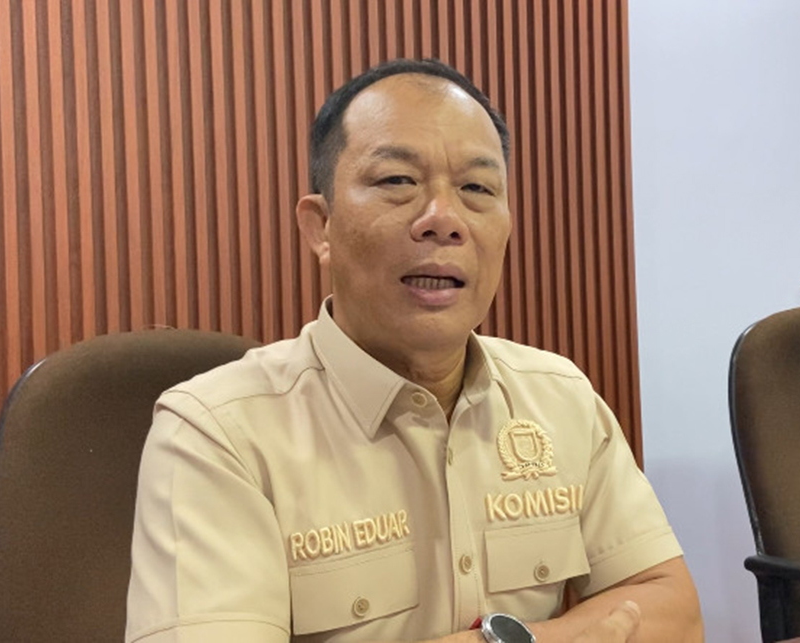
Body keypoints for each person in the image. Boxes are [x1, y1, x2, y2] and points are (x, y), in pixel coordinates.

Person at [125, 58, 703, 643]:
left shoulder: (559, 397)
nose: (443, 220)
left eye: (477, 189)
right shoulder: (216, 434)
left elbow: (674, 612)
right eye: (398, 181)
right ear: (320, 226)